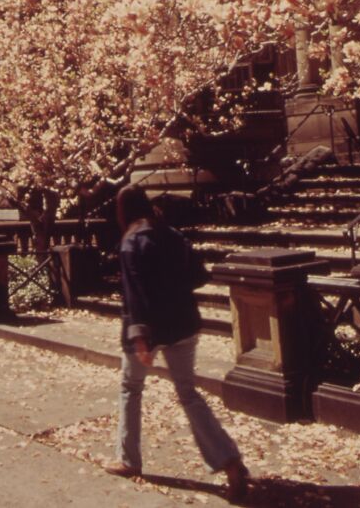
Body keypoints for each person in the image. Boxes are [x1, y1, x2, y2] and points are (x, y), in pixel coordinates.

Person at [105, 184, 249, 504]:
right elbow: (200, 276)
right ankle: (229, 460)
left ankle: (129, 459)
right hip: (184, 323)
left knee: (131, 388)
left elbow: (135, 295)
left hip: (149, 329)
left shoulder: (130, 243)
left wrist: (141, 336)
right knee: (188, 393)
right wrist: (172, 287)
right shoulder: (171, 234)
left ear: (123, 210)